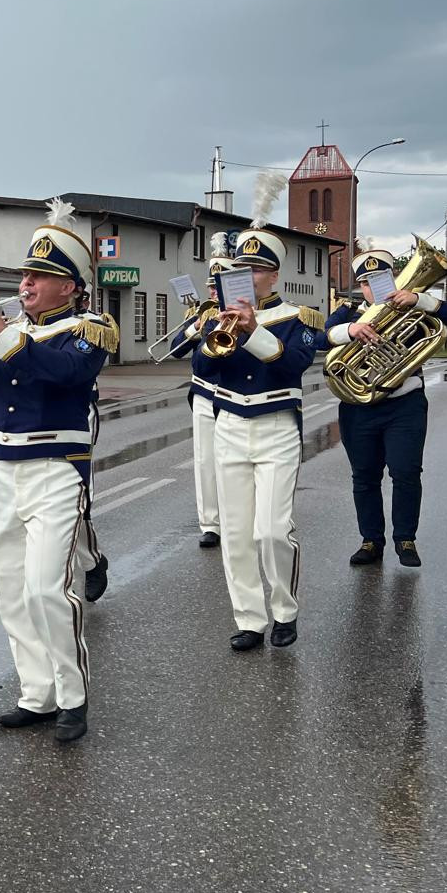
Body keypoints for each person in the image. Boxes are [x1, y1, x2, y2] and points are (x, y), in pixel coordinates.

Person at [0, 200, 114, 742]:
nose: (25, 284)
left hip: (57, 470)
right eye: (25, 275)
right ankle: (36, 693)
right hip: (3, 469)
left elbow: (65, 373)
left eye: (39, 276)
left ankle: (73, 696)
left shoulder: (92, 328)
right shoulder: (12, 330)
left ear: (69, 286)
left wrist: (2, 335)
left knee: (46, 589)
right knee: (12, 590)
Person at [201, 181, 321, 651]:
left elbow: (292, 366)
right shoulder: (220, 315)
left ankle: (285, 610)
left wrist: (252, 332)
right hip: (229, 426)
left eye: (254, 269)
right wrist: (214, 328)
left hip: (276, 429)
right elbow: (203, 368)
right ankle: (249, 619)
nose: (245, 276)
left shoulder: (298, 318)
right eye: (240, 269)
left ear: (273, 275)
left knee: (271, 531)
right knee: (236, 534)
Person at [322, 240, 447, 569]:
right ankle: (371, 541)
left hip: (405, 404)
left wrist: (420, 299)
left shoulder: (413, 307)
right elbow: (326, 335)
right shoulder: (347, 314)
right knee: (364, 476)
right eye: (365, 283)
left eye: (380, 280)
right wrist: (351, 331)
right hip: (358, 407)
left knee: (406, 472)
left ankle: (406, 539)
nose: (372, 288)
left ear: (395, 278)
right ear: (359, 287)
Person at [167, 237, 238, 549]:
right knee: (206, 461)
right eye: (211, 287)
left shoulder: (246, 313)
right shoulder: (202, 314)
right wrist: (195, 327)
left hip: (235, 396)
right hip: (205, 395)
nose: (213, 293)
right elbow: (175, 350)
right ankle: (211, 524)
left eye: (218, 287)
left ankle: (237, 519)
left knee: (234, 462)